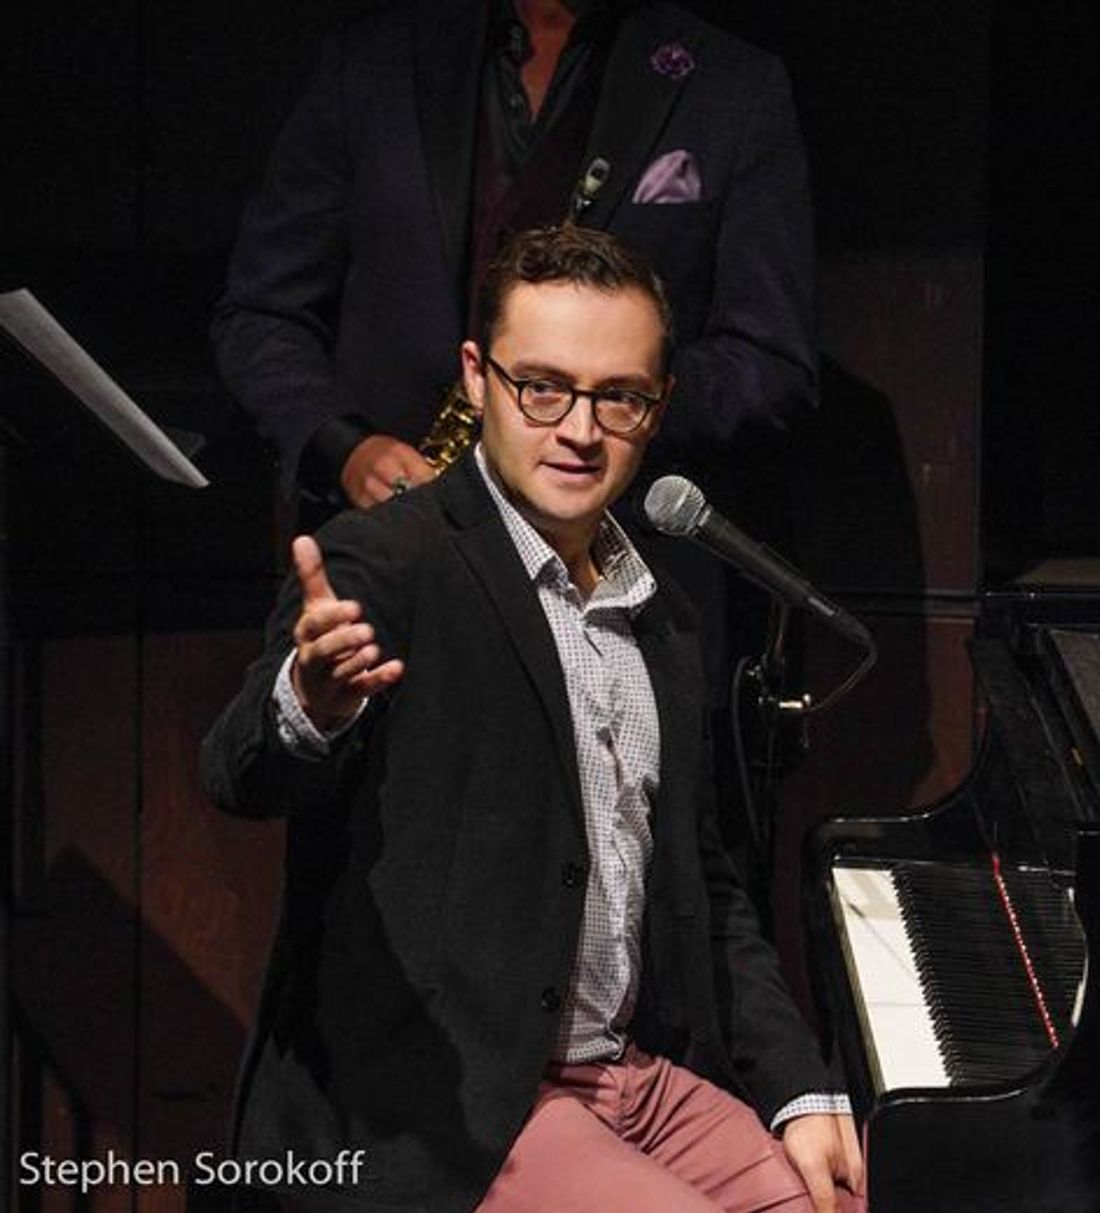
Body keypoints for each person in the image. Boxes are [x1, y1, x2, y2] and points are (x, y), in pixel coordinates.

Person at [200, 226, 861, 1213]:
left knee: (837, 1198)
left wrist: (798, 1087)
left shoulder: (661, 614)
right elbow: (238, 771)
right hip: (455, 1099)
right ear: (477, 379)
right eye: (540, 386)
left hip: (627, 1076)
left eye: (617, 397)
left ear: (657, 404)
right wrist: (312, 704)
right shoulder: (390, 560)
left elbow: (710, 892)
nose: (578, 430)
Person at [212, 0, 816, 514]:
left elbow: (770, 359)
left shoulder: (734, 87)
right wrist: (344, 448)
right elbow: (262, 315)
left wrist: (606, 411)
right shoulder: (371, 61)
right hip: (393, 549)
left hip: (617, 562)